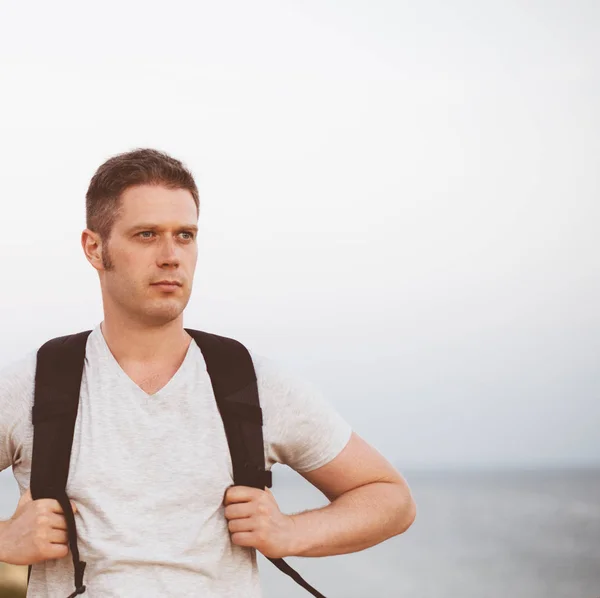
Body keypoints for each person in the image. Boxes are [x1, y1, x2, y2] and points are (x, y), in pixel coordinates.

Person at [0, 148, 416, 597]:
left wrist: (289, 533)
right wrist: (5, 540)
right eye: (146, 234)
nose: (170, 255)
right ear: (94, 248)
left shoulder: (250, 384)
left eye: (185, 235)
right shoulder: (38, 386)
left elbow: (390, 499)